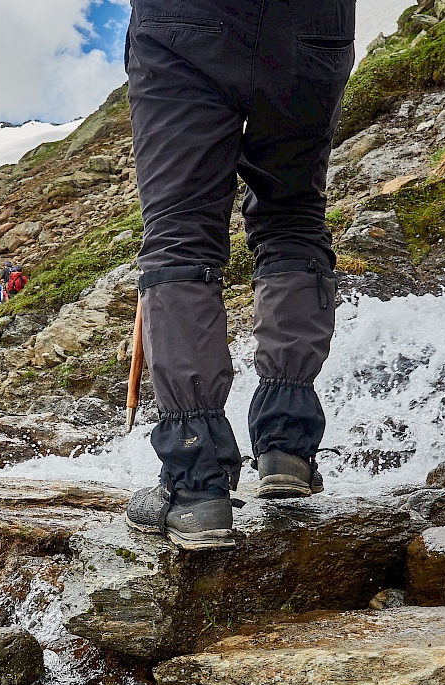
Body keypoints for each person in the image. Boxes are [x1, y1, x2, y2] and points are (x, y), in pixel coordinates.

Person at [122, 0, 354, 551]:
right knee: (293, 213)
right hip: (314, 24)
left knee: (179, 234)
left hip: (184, 22)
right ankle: (287, 445)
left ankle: (195, 481)